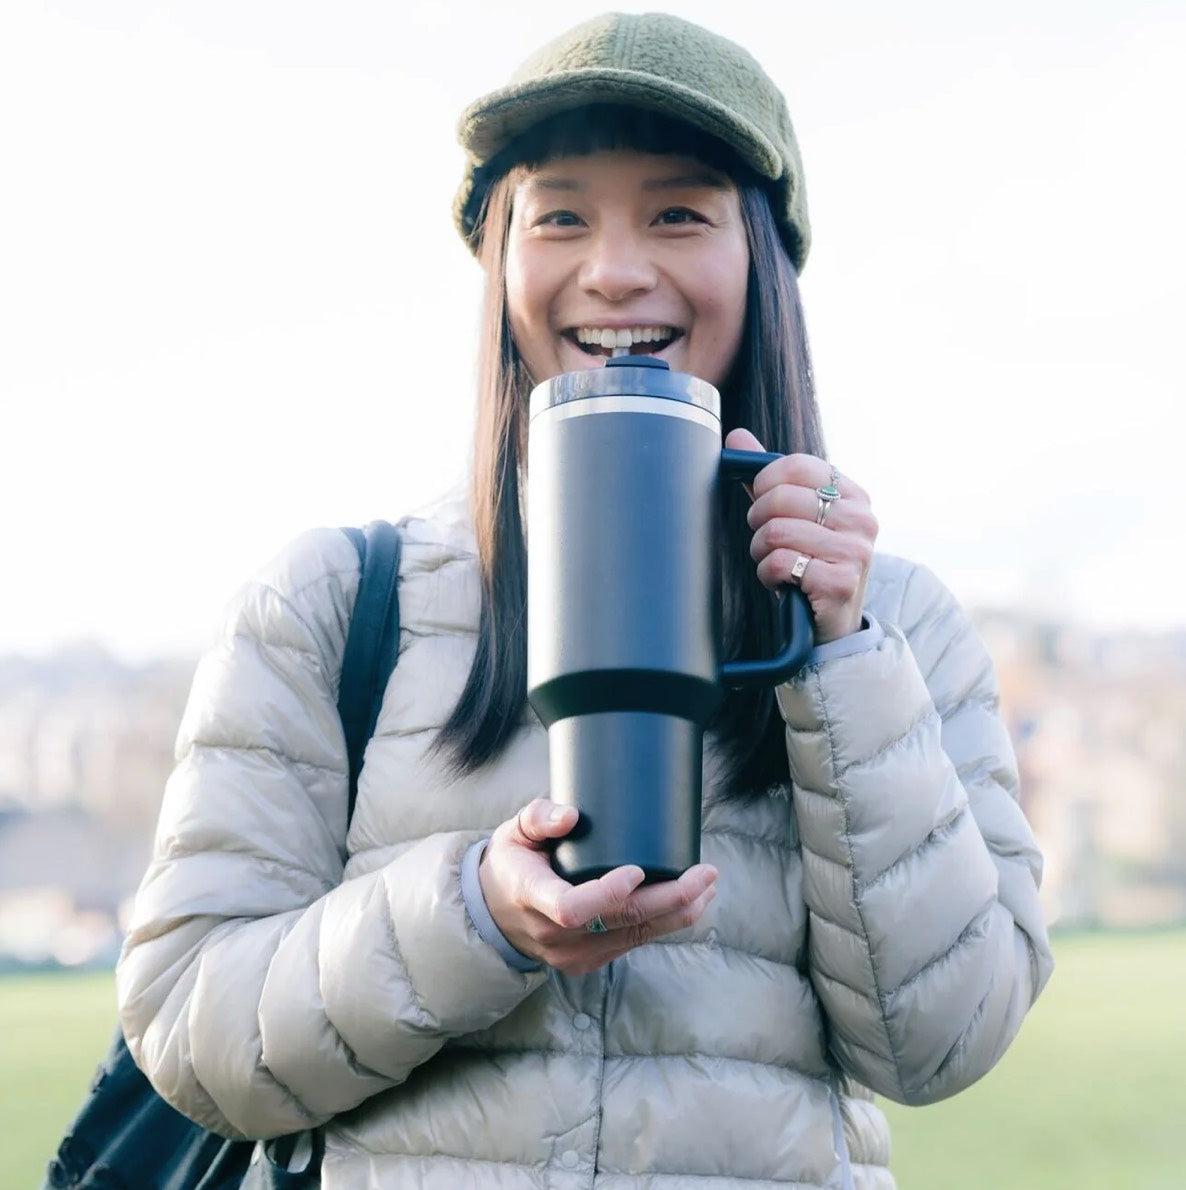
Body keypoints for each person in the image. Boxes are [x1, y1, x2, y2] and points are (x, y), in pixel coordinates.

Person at [117, 12, 1054, 1188]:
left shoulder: (895, 626)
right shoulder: (334, 603)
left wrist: (840, 655)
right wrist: (473, 917)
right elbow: (188, 1030)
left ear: (761, 261)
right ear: (499, 262)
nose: (613, 269)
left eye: (677, 212)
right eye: (559, 213)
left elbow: (944, 1039)